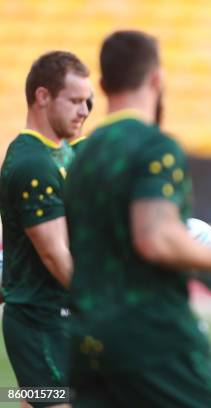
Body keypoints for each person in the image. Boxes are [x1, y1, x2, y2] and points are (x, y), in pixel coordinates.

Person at [64, 30, 211, 407]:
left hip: (87, 338)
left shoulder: (82, 157)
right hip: (152, 334)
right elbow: (155, 237)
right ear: (157, 79)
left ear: (103, 85)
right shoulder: (154, 145)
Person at [0, 51, 91, 407]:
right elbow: (54, 254)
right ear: (42, 97)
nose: (84, 111)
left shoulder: (55, 153)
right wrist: (99, 301)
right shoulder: (33, 164)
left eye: (87, 102)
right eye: (75, 101)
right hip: (40, 322)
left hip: (55, 319)